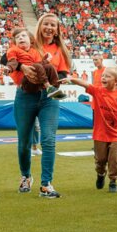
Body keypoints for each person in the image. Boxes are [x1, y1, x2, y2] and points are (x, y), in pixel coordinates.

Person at [10, 12, 72, 198]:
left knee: (48, 140)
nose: (49, 27)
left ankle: (46, 184)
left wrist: (61, 81)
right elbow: (6, 59)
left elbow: (62, 74)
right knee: (24, 142)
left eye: (53, 25)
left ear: (57, 29)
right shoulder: (28, 41)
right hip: (25, 96)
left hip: (48, 98)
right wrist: (22, 67)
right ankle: (26, 176)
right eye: (46, 24)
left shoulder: (60, 50)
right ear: (40, 25)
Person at [69, 66, 117, 193]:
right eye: (103, 75)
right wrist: (71, 78)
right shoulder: (97, 91)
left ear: (116, 81)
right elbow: (84, 83)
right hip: (100, 133)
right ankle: (101, 174)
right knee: (101, 159)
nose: (104, 78)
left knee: (114, 158)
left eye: (108, 76)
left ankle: (113, 180)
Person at [4, 26, 60, 97]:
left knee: (49, 66)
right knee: (35, 66)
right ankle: (48, 87)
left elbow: (40, 65)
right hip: (25, 82)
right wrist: (8, 68)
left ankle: (55, 88)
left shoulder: (34, 52)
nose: (20, 38)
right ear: (15, 43)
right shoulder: (13, 50)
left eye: (23, 35)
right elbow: (12, 61)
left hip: (36, 82)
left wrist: (46, 60)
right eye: (17, 37)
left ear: (30, 40)